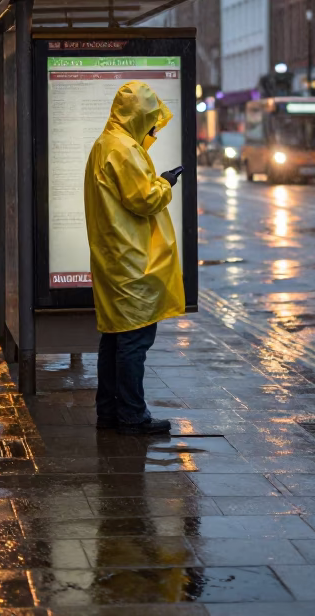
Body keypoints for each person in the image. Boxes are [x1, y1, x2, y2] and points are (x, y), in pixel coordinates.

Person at [84, 81, 184, 436]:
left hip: (114, 256)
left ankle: (109, 410)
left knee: (115, 337)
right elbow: (143, 199)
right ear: (138, 115)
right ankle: (131, 414)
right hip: (132, 260)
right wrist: (165, 183)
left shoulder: (105, 144)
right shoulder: (123, 148)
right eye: (152, 118)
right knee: (133, 341)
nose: (155, 126)